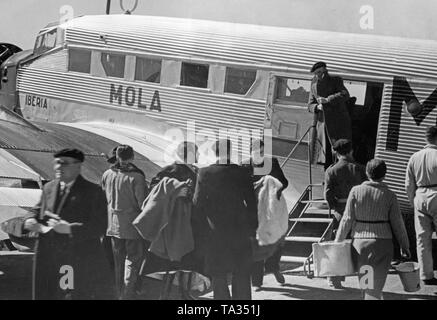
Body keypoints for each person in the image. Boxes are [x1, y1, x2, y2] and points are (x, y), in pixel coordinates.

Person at [23, 148, 113, 300]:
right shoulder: (49, 187)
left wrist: (70, 229)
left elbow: (100, 226)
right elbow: (37, 209)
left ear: (78, 166)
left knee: (70, 295)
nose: (58, 167)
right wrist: (29, 219)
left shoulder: (93, 191)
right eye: (57, 163)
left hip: (75, 258)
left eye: (64, 163)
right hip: (47, 256)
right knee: (46, 294)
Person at [336, 159, 410, 300]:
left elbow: (347, 219)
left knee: (366, 284)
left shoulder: (355, 191)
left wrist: (337, 241)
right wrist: (405, 245)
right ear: (384, 175)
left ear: (366, 172)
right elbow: (398, 224)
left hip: (360, 246)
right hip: (383, 245)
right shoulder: (390, 195)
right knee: (376, 285)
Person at [193, 139, 258, 300]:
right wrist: (253, 229)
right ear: (230, 152)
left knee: (218, 272)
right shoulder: (242, 172)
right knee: (241, 270)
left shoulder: (204, 173)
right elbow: (251, 203)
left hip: (215, 230)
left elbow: (197, 203)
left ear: (214, 153)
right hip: (240, 229)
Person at [144, 141, 201, 300]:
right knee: (171, 262)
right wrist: (179, 193)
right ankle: (167, 293)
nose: (199, 155)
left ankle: (183, 292)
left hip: (189, 222)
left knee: (186, 261)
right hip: (175, 223)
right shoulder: (172, 170)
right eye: (196, 152)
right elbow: (155, 191)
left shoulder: (193, 170)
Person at [101, 145, 148, 299]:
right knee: (133, 261)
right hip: (132, 227)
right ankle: (127, 295)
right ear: (132, 157)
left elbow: (103, 197)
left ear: (117, 156)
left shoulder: (107, 174)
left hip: (113, 226)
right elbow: (143, 204)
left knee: (118, 263)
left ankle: (118, 293)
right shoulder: (137, 177)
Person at [242, 138, 288, 289]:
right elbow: (241, 187)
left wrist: (272, 186)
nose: (260, 154)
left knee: (276, 239)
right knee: (256, 243)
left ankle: (273, 267)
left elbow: (284, 182)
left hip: (271, 209)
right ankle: (256, 282)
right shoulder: (244, 165)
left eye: (262, 151)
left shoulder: (272, 162)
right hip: (253, 210)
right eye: (257, 152)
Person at [324, 139, 367, 288]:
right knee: (363, 245)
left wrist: (335, 208)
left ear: (336, 152)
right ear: (351, 151)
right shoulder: (360, 169)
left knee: (338, 245)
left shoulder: (331, 170)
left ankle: (335, 279)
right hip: (359, 210)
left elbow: (328, 194)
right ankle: (366, 283)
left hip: (341, 211)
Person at [405, 126, 437, 285]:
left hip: (420, 195)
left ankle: (426, 275)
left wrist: (413, 202)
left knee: (422, 239)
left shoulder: (414, 157)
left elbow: (408, 185)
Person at [307, 61, 352, 169]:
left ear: (325, 70)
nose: (318, 75)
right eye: (316, 73)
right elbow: (310, 104)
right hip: (323, 125)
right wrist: (317, 107)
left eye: (320, 72)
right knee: (326, 154)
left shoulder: (336, 80)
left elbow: (345, 95)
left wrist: (328, 100)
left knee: (339, 153)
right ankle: (328, 177)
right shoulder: (313, 84)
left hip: (337, 123)